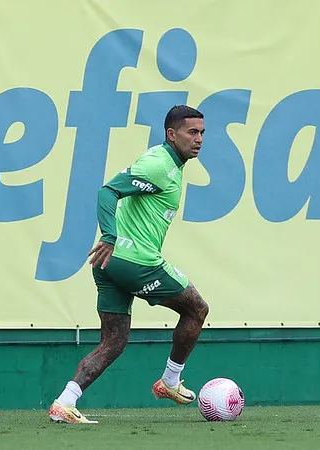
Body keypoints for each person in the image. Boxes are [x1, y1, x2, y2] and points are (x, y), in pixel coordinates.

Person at [48, 105, 210, 424]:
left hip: (109, 265)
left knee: (113, 342)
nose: (199, 139)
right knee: (197, 310)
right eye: (192, 132)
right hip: (135, 262)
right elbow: (107, 192)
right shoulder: (158, 165)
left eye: (202, 133)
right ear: (171, 134)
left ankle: (64, 402)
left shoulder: (168, 164)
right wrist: (109, 235)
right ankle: (170, 381)